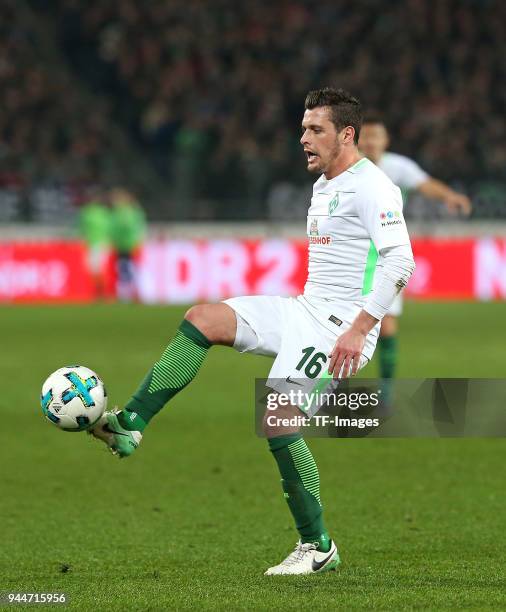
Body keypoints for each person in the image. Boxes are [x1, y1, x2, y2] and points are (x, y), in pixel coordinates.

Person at [90, 88, 415, 575]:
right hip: (305, 309)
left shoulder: (373, 187)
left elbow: (401, 261)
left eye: (315, 129)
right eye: (303, 127)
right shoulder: (326, 182)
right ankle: (131, 424)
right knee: (203, 318)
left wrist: (360, 328)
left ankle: (318, 546)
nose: (302, 137)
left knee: (279, 416)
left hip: (338, 328)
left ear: (347, 135)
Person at [358, 115, 471, 389]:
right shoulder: (346, 166)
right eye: (367, 137)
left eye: (377, 137)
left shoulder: (396, 167)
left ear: (385, 141)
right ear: (357, 140)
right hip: (351, 256)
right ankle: (321, 390)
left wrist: (450, 197)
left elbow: (425, 183)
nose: (371, 142)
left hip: (385, 256)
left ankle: (385, 393)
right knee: (335, 326)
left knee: (386, 327)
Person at [108, 188, 147, 302]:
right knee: (125, 269)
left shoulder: (127, 212)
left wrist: (135, 242)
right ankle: (128, 294)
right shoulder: (123, 212)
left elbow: (128, 229)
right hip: (124, 245)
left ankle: (129, 294)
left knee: (127, 269)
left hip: (128, 246)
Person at [78, 192, 111, 299]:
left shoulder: (86, 212)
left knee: (95, 269)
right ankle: (100, 292)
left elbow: (81, 229)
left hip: (94, 244)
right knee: (98, 269)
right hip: (102, 244)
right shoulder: (105, 213)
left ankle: (100, 292)